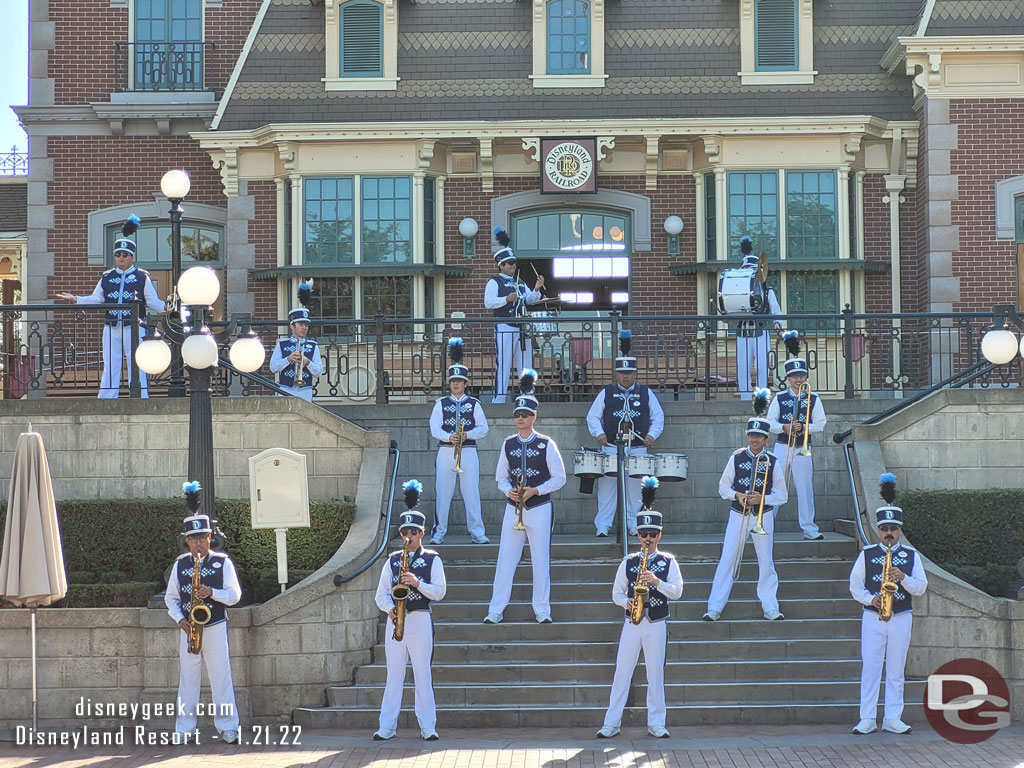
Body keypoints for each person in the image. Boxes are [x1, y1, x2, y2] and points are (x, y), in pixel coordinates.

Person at [597, 477, 683, 739]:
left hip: (656, 623)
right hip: (632, 623)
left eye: (652, 535)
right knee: (622, 672)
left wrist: (656, 581)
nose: (647, 540)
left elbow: (678, 591)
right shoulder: (629, 562)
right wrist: (627, 602)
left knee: (655, 674)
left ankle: (657, 722)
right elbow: (615, 593)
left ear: (659, 534)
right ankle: (611, 723)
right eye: (643, 535)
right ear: (637, 535)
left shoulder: (668, 562)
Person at [484, 370, 566, 624]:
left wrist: (535, 490)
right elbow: (500, 477)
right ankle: (496, 609)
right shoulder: (508, 443)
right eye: (517, 415)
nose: (520, 419)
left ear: (534, 417)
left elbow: (560, 477)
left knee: (540, 560)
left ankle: (542, 609)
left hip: (539, 507)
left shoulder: (546, 443)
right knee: (505, 559)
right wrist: (508, 490)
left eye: (525, 415)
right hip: (513, 507)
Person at [849, 473, 927, 736]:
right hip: (873, 616)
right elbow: (854, 586)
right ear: (878, 530)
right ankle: (867, 718)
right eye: (884, 529)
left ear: (900, 529)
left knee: (895, 669)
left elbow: (921, 587)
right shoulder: (867, 554)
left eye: (893, 529)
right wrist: (870, 599)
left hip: (902, 616)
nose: (889, 533)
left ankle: (893, 717)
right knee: (871, 668)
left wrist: (902, 577)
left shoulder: (910, 555)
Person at [164, 481, 241, 744]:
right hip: (189, 629)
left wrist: (212, 593)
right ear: (187, 541)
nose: (198, 543)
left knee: (221, 677)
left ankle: (228, 726)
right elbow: (171, 597)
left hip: (215, 625)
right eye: (193, 539)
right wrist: (181, 620)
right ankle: (184, 729)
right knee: (188, 679)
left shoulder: (223, 562)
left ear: (210, 537)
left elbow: (235, 596)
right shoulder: (181, 564)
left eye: (202, 538)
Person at [56, 214, 166, 398]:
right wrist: (76, 299)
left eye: (125, 255)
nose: (121, 258)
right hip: (111, 326)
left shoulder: (141, 276)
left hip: (135, 326)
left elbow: (153, 301)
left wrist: (168, 308)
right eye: (118, 255)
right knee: (111, 363)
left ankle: (140, 396)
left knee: (137, 362)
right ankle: (107, 398)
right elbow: (96, 299)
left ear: (132, 257)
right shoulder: (107, 277)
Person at [703, 389, 788, 621]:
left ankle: (770, 606)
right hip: (738, 514)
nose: (754, 440)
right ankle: (715, 607)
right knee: (728, 557)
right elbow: (723, 488)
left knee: (766, 561)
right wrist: (738, 495)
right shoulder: (737, 457)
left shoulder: (773, 461)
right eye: (751, 435)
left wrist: (763, 499)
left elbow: (782, 495)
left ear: (766, 439)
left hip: (764, 515)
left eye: (759, 437)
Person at [374, 480, 447, 741]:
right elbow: (380, 594)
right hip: (397, 620)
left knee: (422, 674)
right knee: (393, 675)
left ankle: (428, 726)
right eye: (405, 532)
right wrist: (390, 610)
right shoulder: (393, 559)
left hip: (420, 620)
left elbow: (440, 592)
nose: (409, 537)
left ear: (422, 533)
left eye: (414, 532)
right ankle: (387, 726)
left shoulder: (432, 559)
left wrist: (418, 583)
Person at [587, 330, 665, 537]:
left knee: (635, 489)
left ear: (634, 373)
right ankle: (603, 525)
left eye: (629, 373)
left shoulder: (646, 392)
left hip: (638, 448)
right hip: (611, 447)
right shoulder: (607, 392)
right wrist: (599, 433)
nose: (625, 376)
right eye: (622, 373)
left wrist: (651, 435)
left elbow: (658, 417)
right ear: (617, 374)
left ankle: (633, 524)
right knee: (607, 488)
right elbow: (592, 416)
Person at [429, 337, 489, 544]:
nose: (456, 384)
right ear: (450, 383)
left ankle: (477, 531)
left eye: (459, 381)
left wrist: (467, 434)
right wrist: (448, 436)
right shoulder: (441, 403)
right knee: (443, 493)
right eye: (453, 381)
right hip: (446, 451)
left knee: (471, 492)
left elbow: (484, 428)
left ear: (465, 383)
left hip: (469, 450)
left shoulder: (474, 404)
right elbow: (434, 427)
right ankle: (438, 533)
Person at [767, 331, 827, 540]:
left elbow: (821, 424)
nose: (798, 380)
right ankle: (766, 524)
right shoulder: (780, 397)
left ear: (805, 377)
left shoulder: (814, 398)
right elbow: (769, 423)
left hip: (803, 448)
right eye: (794, 377)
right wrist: (785, 427)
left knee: (805, 490)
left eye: (801, 376)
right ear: (788, 378)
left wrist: (804, 427)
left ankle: (809, 529)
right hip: (782, 447)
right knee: (775, 486)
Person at [483, 227, 544, 404]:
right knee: (503, 363)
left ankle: (527, 396)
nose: (513, 266)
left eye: (514, 263)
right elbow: (489, 303)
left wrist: (536, 289)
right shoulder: (494, 282)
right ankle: (499, 399)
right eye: (510, 263)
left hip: (521, 327)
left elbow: (529, 300)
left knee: (526, 365)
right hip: (505, 325)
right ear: (501, 265)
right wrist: (506, 299)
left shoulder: (520, 282)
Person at [733, 236, 782, 401]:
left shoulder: (767, 291)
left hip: (761, 331)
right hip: (743, 331)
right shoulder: (737, 291)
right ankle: (745, 398)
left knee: (763, 365)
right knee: (743, 366)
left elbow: (776, 311)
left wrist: (777, 323)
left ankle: (762, 397)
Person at [269, 282, 324, 402]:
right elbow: (273, 367)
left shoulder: (312, 346)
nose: (304, 328)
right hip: (285, 388)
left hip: (305, 390)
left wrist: (307, 362)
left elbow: (319, 372)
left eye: (306, 325)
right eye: (300, 325)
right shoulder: (282, 344)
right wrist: (288, 359)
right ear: (292, 326)